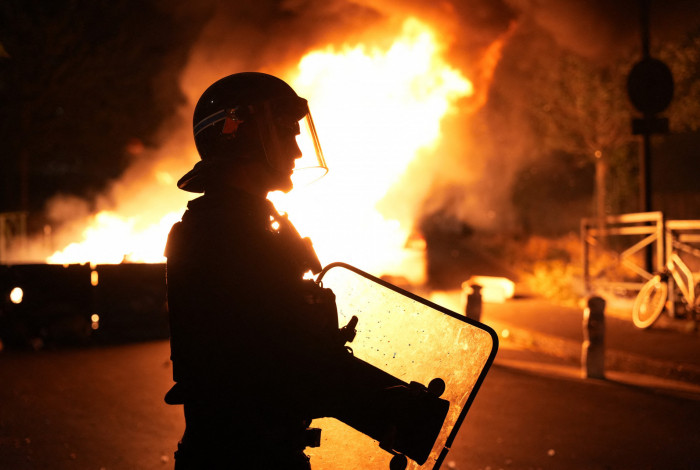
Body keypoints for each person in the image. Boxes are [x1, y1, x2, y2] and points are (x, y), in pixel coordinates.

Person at [164, 72, 344, 469]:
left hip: (256, 450)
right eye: (286, 135)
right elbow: (258, 360)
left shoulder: (247, 225)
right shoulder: (224, 234)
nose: (297, 152)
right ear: (243, 135)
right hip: (243, 458)